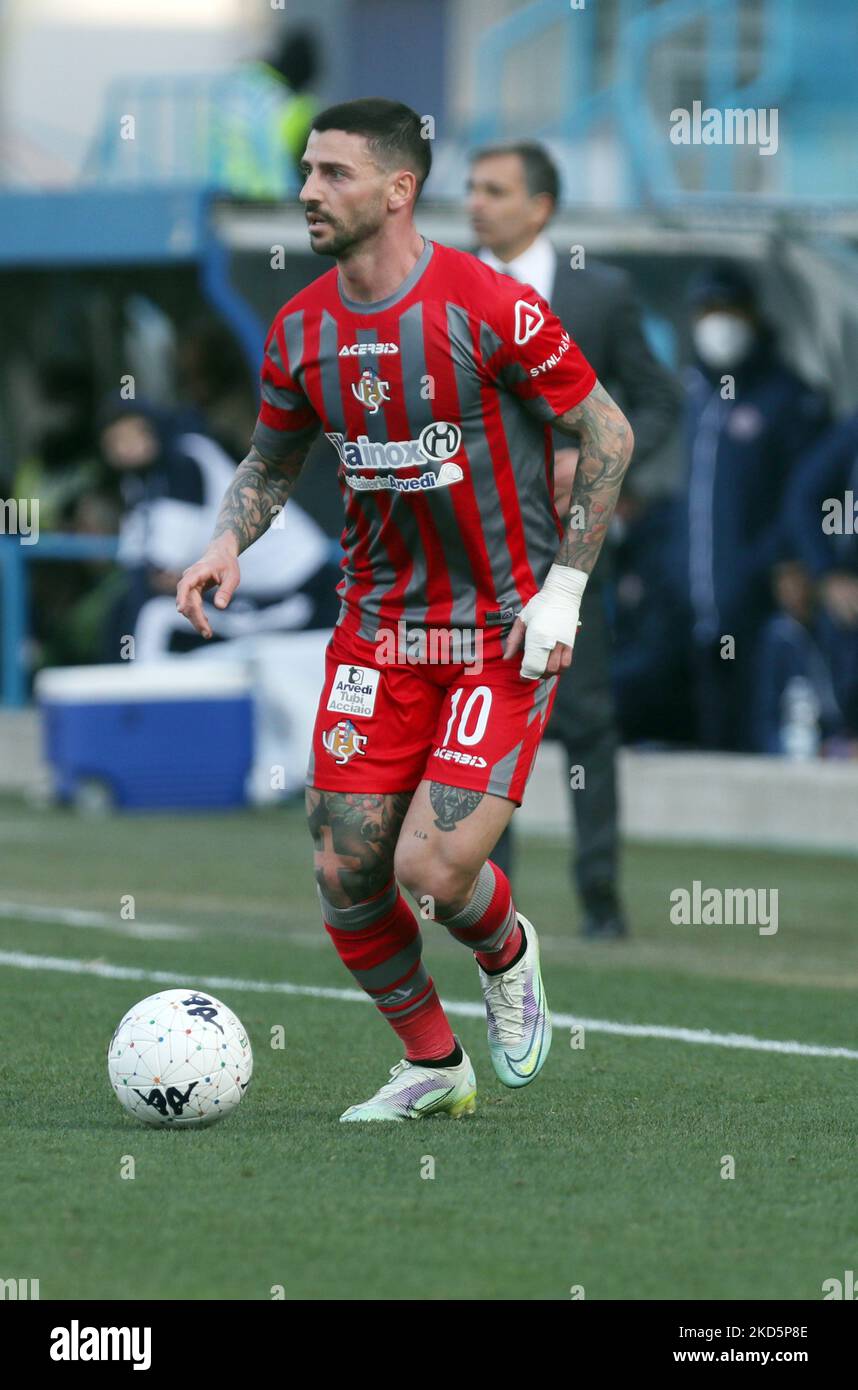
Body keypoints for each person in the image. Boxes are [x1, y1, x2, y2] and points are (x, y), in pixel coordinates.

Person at [177, 99, 634, 1122]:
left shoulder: (489, 304)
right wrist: (222, 541)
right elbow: (271, 456)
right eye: (306, 170)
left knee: (433, 865)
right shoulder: (299, 329)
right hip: (378, 634)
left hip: (499, 632)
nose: (307, 191)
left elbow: (607, 432)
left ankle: (508, 951)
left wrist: (564, 591)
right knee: (345, 869)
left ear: (398, 189)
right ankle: (434, 1061)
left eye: (334, 173)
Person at [467, 141, 681, 938]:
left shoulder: (603, 293)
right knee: (485, 718)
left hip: (573, 552)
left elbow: (658, 401)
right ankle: (491, 905)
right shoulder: (454, 290)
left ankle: (601, 905)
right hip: (481, 549)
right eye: (472, 188)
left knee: (585, 721)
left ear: (541, 206)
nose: (476, 202)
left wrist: (602, 471)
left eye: (495, 189)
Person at [673, 262, 829, 751]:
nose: (719, 322)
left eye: (730, 309)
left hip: (761, 596)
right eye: (710, 310)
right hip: (694, 600)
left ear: (754, 315)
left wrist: (785, 561)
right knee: (704, 728)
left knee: (761, 724)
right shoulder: (693, 391)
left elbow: (809, 497)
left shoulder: (789, 397)